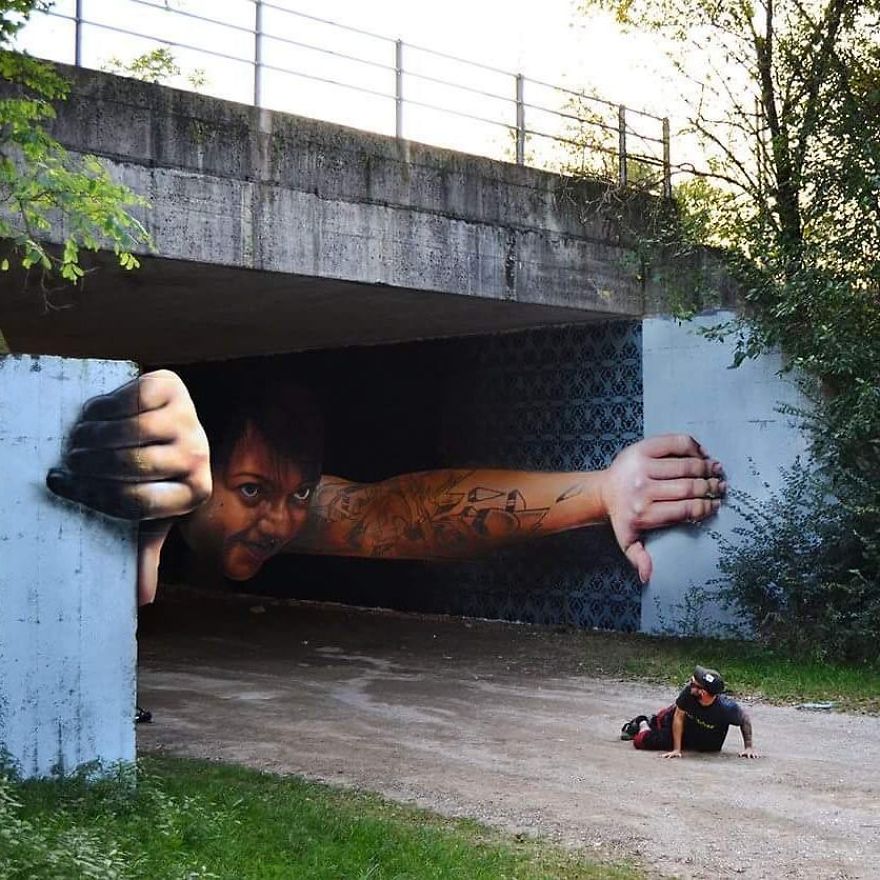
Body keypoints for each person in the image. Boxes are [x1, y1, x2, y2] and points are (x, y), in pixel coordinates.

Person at [45, 369, 727, 604]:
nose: (279, 522)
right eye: (251, 490)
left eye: (300, 494)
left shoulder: (280, 517)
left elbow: (396, 517)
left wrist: (603, 489)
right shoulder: (152, 479)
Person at [620, 665, 758, 758]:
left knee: (710, 748)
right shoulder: (688, 693)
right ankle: (642, 722)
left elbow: (744, 718)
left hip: (695, 733)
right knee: (642, 741)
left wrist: (749, 747)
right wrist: (676, 750)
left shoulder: (726, 708)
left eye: (693, 683)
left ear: (703, 692)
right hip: (674, 721)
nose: (689, 684)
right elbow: (678, 717)